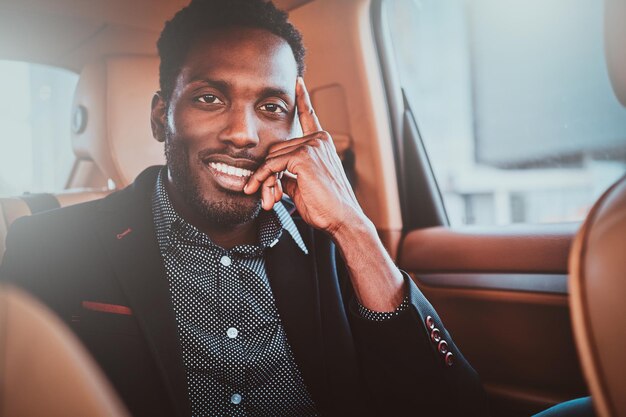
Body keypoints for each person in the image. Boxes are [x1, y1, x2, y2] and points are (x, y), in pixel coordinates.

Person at [0, 1, 489, 416]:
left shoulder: (336, 244)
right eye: (210, 98)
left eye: (272, 108)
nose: (243, 134)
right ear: (159, 116)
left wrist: (354, 226)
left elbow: (449, 404)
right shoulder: (49, 245)